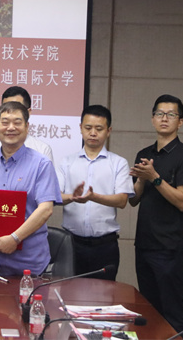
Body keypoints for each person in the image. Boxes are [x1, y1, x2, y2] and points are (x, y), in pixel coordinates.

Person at [128, 94, 183, 338]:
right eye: (159, 114)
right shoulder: (144, 153)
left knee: (173, 311)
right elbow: (134, 200)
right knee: (150, 311)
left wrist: (154, 178)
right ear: (152, 119)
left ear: (180, 121)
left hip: (169, 247)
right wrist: (139, 181)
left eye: (171, 114)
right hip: (144, 243)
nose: (164, 118)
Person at [0, 101, 62, 276]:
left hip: (27, 261)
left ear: (27, 127)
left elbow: (46, 209)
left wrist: (15, 238)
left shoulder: (41, 164)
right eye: (5, 122)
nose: (10, 127)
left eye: (17, 122)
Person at [57, 105, 134, 280]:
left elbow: (122, 200)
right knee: (69, 291)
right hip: (71, 244)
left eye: (99, 129)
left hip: (105, 245)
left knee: (104, 293)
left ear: (109, 131)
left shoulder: (118, 163)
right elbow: (56, 197)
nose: (93, 133)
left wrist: (94, 197)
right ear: (80, 128)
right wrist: (73, 197)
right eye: (88, 128)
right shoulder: (66, 162)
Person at [0, 86, 54, 162]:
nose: (11, 113)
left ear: (28, 112)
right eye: (6, 108)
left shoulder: (42, 149)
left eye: (16, 108)